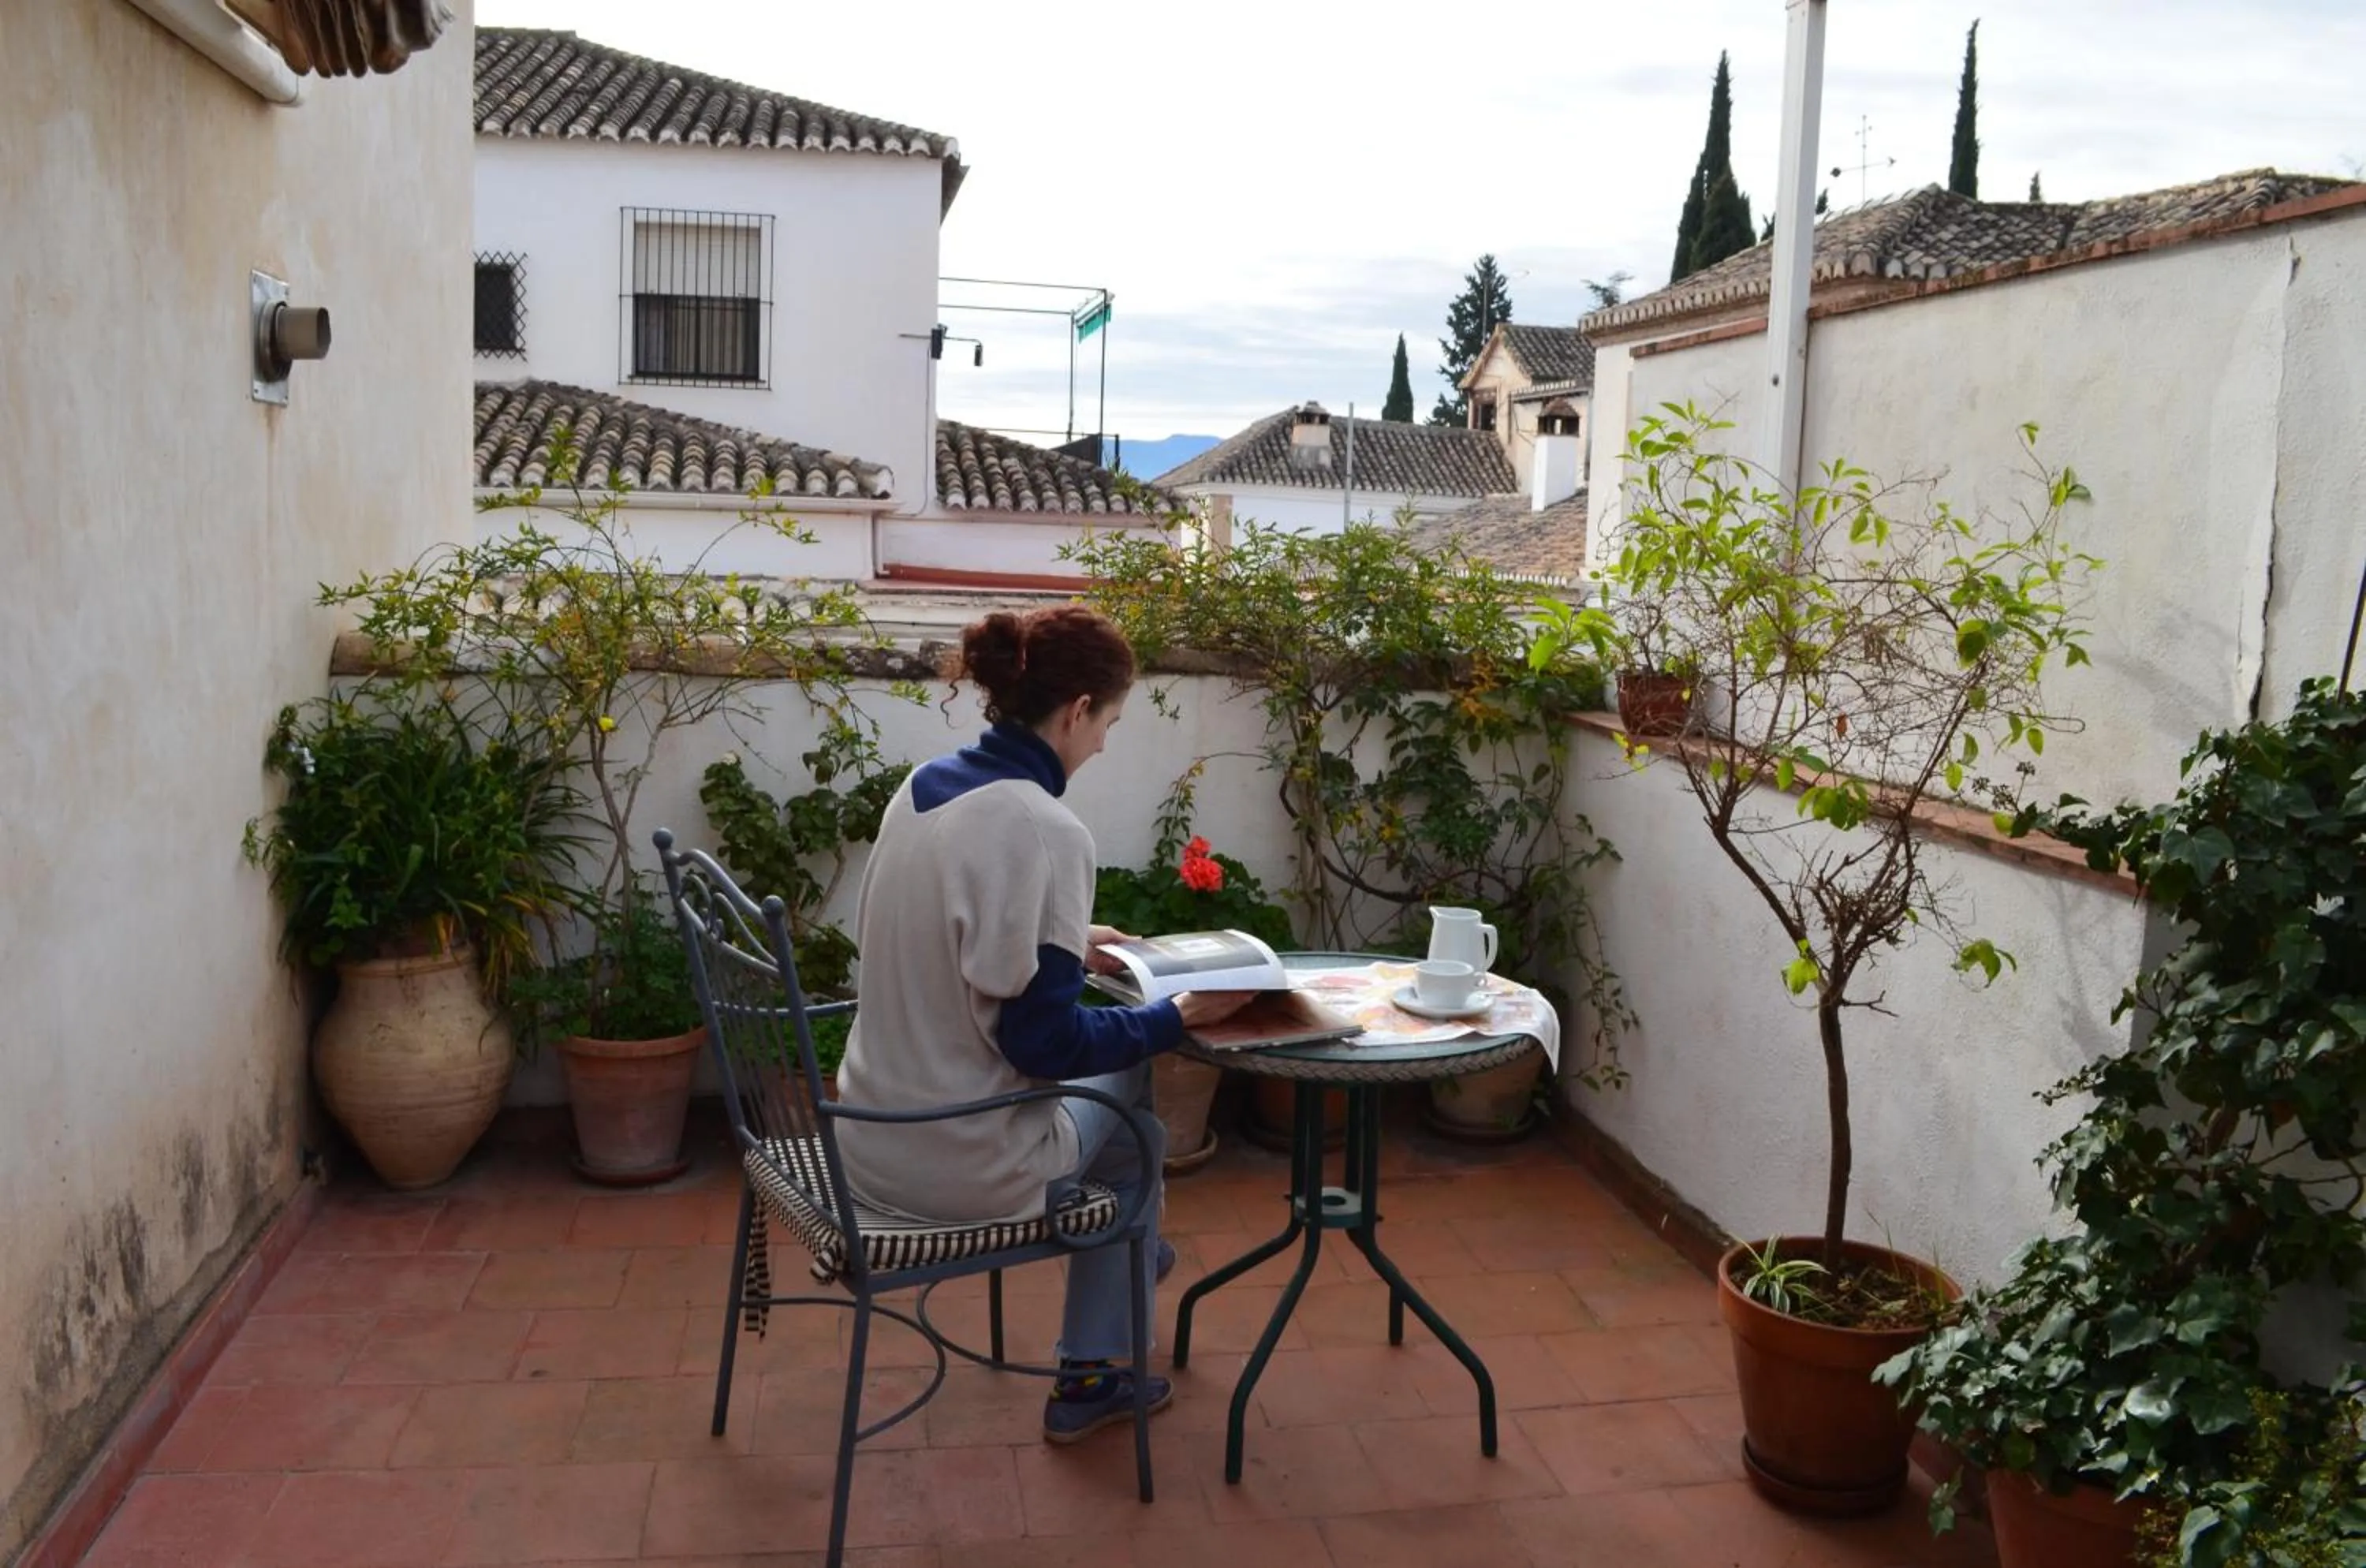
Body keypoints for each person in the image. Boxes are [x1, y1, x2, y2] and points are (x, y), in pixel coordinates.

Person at [832, 604, 1252, 1443]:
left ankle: (1129, 1253)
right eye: (1110, 723)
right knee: (1133, 1081)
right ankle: (1095, 1365)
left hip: (866, 1136)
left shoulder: (924, 787)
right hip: (958, 1161)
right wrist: (1174, 1018)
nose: (1103, 745)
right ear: (1077, 709)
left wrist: (1069, 943)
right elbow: (1045, 1044)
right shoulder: (1045, 826)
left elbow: (946, 933)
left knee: (1125, 1126)